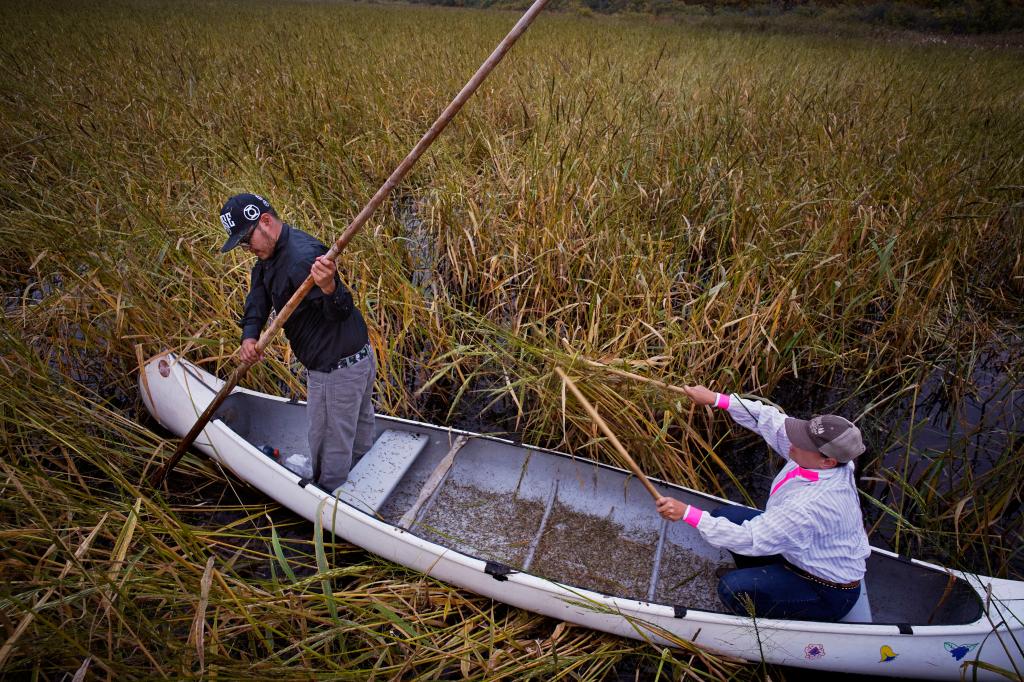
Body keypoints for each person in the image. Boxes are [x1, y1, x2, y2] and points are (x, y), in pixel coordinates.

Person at [656, 385, 870, 622]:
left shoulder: (809, 506)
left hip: (826, 590)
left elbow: (748, 538)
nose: (792, 442)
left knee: (731, 589)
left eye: (802, 443)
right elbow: (774, 421)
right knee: (721, 516)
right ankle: (757, 577)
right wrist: (717, 399)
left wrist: (687, 513)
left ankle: (763, 620)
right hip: (799, 555)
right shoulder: (833, 461)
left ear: (827, 462)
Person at [220, 192, 375, 493]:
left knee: (328, 445)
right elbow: (259, 295)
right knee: (357, 433)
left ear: (265, 222)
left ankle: (330, 502)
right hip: (357, 361)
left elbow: (341, 311)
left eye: (246, 240)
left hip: (337, 372)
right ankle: (359, 480)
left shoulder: (303, 257)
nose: (246, 248)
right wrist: (250, 335)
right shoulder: (269, 256)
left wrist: (330, 286)